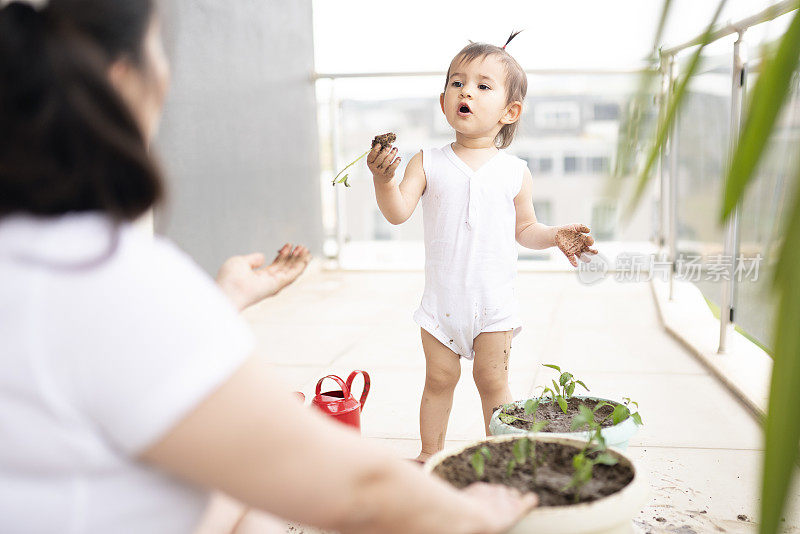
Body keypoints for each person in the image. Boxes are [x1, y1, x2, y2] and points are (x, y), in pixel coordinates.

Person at [0, 1, 538, 532]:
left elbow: (100, 341)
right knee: (252, 502)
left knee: (243, 507)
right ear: (121, 82)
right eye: (159, 53)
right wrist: (470, 516)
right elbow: (346, 489)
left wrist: (221, 300)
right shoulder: (126, 277)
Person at [367, 33, 599, 463]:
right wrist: (384, 181)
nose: (466, 91)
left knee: (493, 384)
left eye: (482, 85)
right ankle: (429, 454)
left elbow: (525, 228)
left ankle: (503, 457)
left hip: (494, 304)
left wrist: (553, 235)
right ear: (443, 102)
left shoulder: (515, 171)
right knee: (439, 379)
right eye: (457, 83)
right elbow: (398, 211)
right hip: (441, 305)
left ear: (510, 112)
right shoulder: (427, 161)